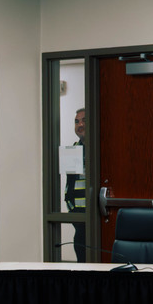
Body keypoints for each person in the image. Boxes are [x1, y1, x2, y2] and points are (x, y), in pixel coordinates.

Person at [64, 108, 87, 262]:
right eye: (76, 121)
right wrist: (73, 214)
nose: (80, 124)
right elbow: (68, 189)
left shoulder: (102, 148)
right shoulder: (73, 150)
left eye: (84, 120)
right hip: (80, 222)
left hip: (99, 221)